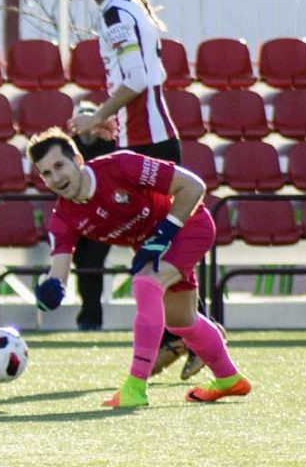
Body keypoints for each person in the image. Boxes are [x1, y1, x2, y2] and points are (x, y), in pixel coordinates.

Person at [28, 127, 251, 408]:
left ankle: (135, 388)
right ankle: (229, 379)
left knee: (146, 283)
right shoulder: (62, 218)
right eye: (46, 173)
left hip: (188, 226)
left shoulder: (121, 165)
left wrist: (163, 235)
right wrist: (49, 291)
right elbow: (58, 272)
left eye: (60, 166)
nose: (56, 178)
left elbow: (194, 187)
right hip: (154, 248)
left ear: (78, 160)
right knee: (181, 321)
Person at [67, 0, 206, 379]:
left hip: (149, 141)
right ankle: (185, 337)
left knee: (156, 248)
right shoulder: (128, 7)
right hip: (144, 135)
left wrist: (97, 116)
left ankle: (190, 336)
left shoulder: (115, 14)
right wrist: (113, 121)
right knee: (158, 246)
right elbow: (143, 76)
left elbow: (138, 79)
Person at [68, 103, 116, 331]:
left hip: (104, 217)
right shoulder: (69, 148)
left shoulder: (109, 146)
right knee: (81, 263)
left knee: (92, 263)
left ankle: (91, 317)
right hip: (77, 215)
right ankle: (89, 314)